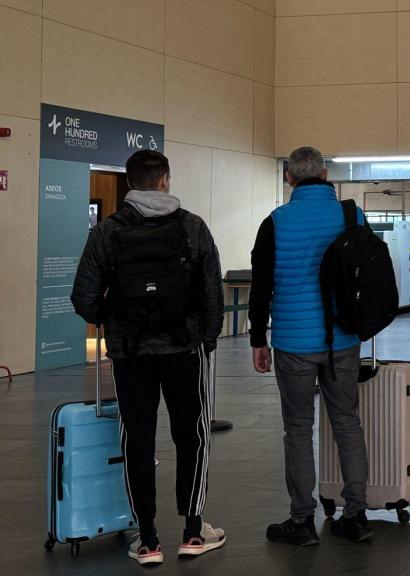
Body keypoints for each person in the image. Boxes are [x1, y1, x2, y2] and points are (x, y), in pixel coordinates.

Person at [71, 150, 225, 566]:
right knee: (191, 436)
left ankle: (149, 540)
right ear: (165, 180)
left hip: (131, 352)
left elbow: (84, 298)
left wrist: (114, 320)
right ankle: (193, 532)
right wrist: (206, 339)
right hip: (182, 348)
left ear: (130, 182)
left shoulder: (107, 232)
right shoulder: (192, 227)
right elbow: (212, 291)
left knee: (137, 440)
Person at [249, 147, 372, 546]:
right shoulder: (351, 216)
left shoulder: (276, 222)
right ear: (324, 172)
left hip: (293, 341)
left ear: (289, 178)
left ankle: (302, 521)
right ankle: (356, 514)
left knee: (298, 428)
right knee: (347, 423)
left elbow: (261, 286)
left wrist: (257, 338)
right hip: (344, 339)